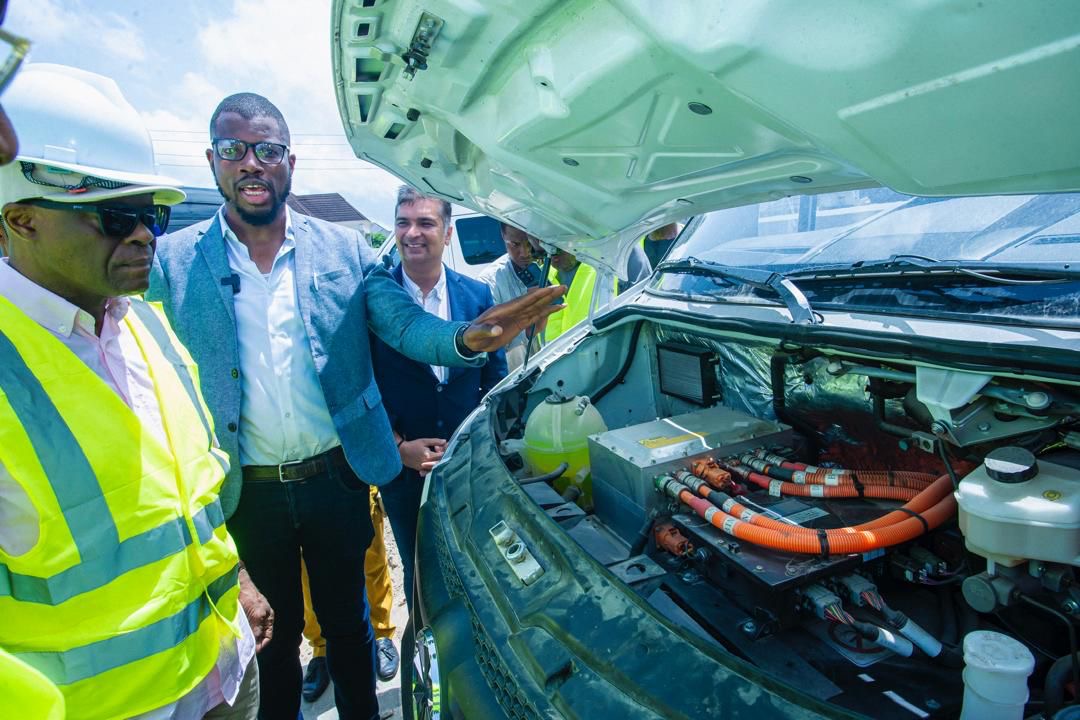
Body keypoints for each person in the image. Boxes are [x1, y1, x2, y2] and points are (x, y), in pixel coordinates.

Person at [148, 93, 564, 720]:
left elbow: (401, 324)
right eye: (234, 150)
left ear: (291, 160)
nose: (251, 164)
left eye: (266, 150)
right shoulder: (173, 263)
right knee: (273, 636)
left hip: (334, 479)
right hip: (246, 491)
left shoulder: (343, 253)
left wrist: (463, 339)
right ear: (213, 160)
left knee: (349, 628)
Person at [0, 64, 271, 720]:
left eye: (148, 213)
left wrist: (235, 580)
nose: (144, 233)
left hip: (222, 673)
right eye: (116, 216)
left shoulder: (148, 324)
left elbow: (189, 491)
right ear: (23, 219)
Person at [373, 186, 508, 598]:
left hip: (465, 462)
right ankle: (422, 648)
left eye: (426, 223)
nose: (413, 233)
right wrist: (399, 447)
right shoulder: (376, 297)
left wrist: (473, 444)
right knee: (420, 573)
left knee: (474, 562)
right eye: (403, 222)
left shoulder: (477, 295)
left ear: (448, 234)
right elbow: (363, 385)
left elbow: (494, 378)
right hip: (405, 469)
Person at [299, 485, 397, 702]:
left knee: (371, 555)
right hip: (295, 478)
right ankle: (321, 649)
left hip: (352, 472)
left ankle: (382, 633)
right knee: (306, 569)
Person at [477, 222, 543, 369]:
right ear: (503, 236)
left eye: (529, 243)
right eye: (515, 244)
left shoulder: (549, 266)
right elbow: (489, 339)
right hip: (514, 373)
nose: (525, 253)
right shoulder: (489, 282)